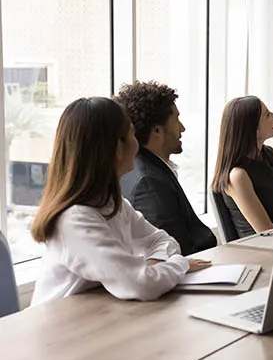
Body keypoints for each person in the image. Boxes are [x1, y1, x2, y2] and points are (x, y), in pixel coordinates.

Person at [30, 97, 210, 306]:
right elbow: (142, 284)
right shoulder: (76, 220)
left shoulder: (113, 204)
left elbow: (163, 242)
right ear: (118, 148)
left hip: (96, 320)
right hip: (60, 331)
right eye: (132, 133)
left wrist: (151, 267)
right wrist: (180, 264)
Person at [117, 80, 217, 255]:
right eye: (176, 119)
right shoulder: (148, 183)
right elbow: (175, 253)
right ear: (157, 130)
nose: (182, 128)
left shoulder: (145, 168)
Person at [211, 96, 273, 237]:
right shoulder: (237, 175)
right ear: (252, 128)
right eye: (267, 115)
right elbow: (266, 230)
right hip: (263, 246)